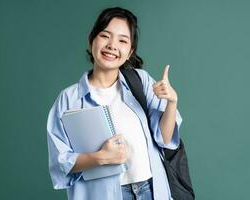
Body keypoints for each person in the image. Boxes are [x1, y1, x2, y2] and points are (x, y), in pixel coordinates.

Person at [47, 7, 182, 200]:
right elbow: (60, 161)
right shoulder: (69, 99)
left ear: (130, 52)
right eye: (105, 36)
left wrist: (172, 102)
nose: (112, 45)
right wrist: (101, 157)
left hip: (152, 190)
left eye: (122, 40)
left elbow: (164, 138)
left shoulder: (141, 82)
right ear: (91, 40)